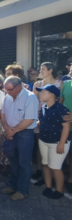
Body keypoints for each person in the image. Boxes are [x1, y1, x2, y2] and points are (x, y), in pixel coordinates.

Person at [0, 76, 39, 201]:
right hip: (11, 132)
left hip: (24, 134)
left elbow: (29, 119)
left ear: (18, 86)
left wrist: (13, 131)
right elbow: (3, 114)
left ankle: (22, 191)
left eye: (10, 89)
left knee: (23, 163)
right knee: (13, 161)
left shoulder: (30, 97)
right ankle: (13, 186)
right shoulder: (7, 97)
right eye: (6, 90)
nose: (7, 92)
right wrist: (7, 129)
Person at [36, 84, 70, 199]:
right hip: (44, 140)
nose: (40, 94)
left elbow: (66, 127)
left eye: (43, 92)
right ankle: (48, 187)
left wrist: (61, 143)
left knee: (55, 167)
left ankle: (59, 191)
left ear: (51, 95)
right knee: (46, 164)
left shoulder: (61, 109)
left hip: (57, 142)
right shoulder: (44, 107)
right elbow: (42, 122)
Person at [31, 62, 60, 182]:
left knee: (53, 146)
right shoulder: (38, 84)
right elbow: (33, 101)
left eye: (43, 69)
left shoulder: (59, 83)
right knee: (40, 145)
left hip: (55, 119)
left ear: (50, 70)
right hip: (40, 118)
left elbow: (61, 102)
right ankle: (40, 169)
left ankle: (52, 172)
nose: (40, 71)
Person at [60, 65, 72, 194]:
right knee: (66, 153)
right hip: (65, 127)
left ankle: (70, 181)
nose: (70, 72)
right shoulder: (67, 84)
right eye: (70, 70)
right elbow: (61, 102)